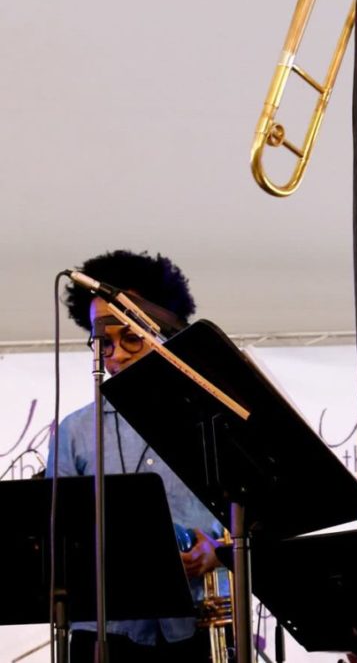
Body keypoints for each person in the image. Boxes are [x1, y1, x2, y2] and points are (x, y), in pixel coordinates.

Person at [48, 249, 225, 663]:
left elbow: (258, 518)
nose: (118, 354)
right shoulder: (74, 433)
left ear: (164, 330)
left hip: (200, 625)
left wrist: (218, 551)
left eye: (131, 336)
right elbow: (56, 540)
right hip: (104, 634)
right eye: (103, 342)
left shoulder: (213, 420)